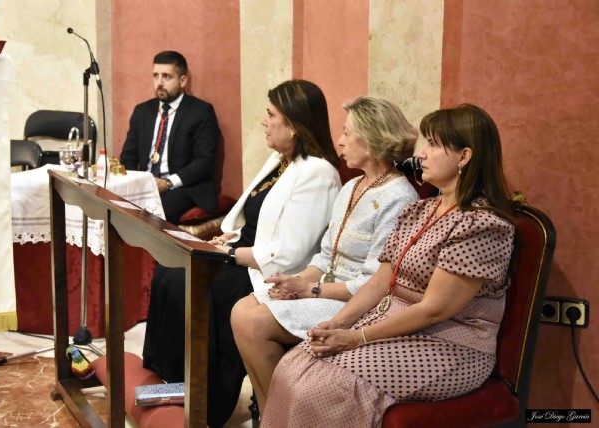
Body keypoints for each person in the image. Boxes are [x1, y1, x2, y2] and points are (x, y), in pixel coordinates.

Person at [261, 104, 516, 428]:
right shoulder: (420, 211)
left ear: (464, 156)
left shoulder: (482, 225)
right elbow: (381, 282)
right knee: (294, 364)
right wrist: (337, 324)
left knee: (326, 386)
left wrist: (357, 338)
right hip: (393, 320)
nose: (421, 154)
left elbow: (434, 310)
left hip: (451, 344)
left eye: (434, 145)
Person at [142, 80, 342, 427]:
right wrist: (226, 239)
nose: (263, 121)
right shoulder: (282, 160)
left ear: (293, 124)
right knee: (169, 269)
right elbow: (254, 218)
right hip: (239, 251)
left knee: (189, 283)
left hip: (262, 271)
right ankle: (170, 380)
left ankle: (205, 397)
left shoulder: (319, 173)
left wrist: (228, 254)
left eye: (270, 115)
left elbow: (289, 252)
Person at [230, 96, 419, 414]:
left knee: (254, 323)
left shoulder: (398, 197)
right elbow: (325, 255)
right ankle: (272, 412)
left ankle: (279, 413)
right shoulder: (353, 186)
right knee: (240, 309)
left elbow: (373, 283)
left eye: (347, 133)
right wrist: (296, 281)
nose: (340, 141)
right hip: (326, 289)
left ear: (371, 141)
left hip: (356, 304)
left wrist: (310, 289)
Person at [119, 50, 220, 224]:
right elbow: (128, 155)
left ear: (183, 80)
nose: (159, 83)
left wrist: (167, 183)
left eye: (166, 77)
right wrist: (136, 182)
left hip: (183, 187)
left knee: (157, 212)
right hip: (146, 184)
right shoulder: (142, 111)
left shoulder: (201, 112)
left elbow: (204, 161)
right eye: (155, 76)